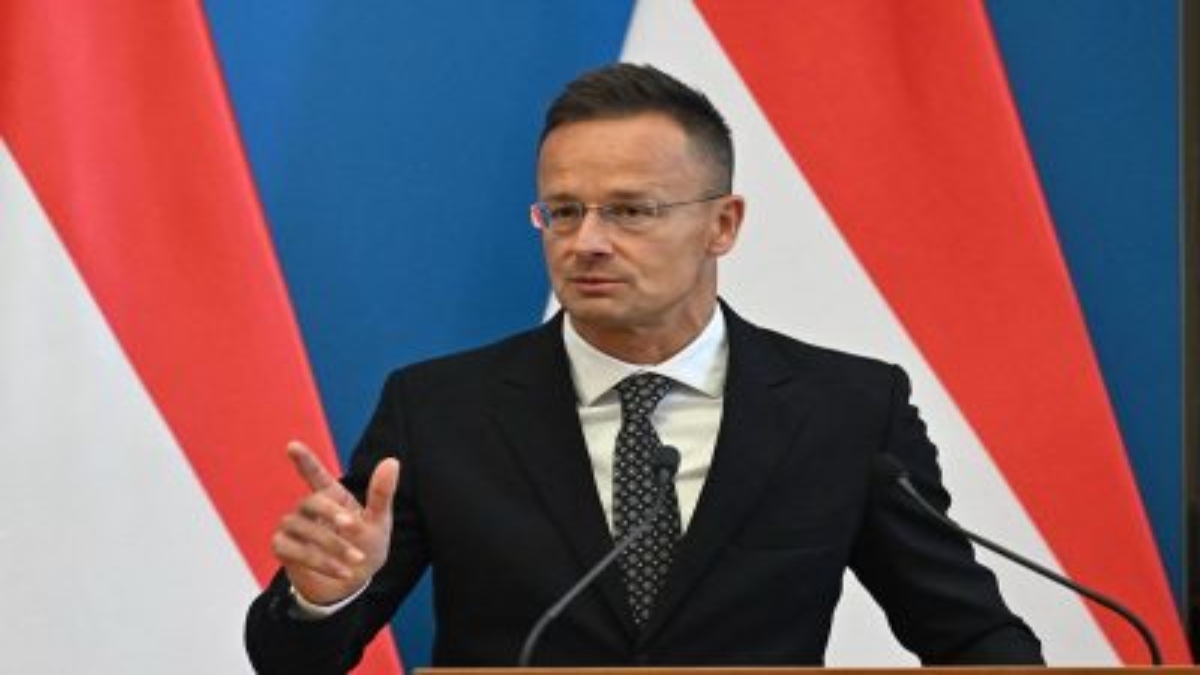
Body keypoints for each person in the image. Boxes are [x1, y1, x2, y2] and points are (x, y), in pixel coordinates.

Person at [245, 63, 1043, 672]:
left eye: (630, 210)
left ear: (722, 224)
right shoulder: (440, 409)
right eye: (563, 209)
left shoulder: (847, 409)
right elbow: (296, 662)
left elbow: (967, 634)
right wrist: (324, 594)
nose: (586, 239)